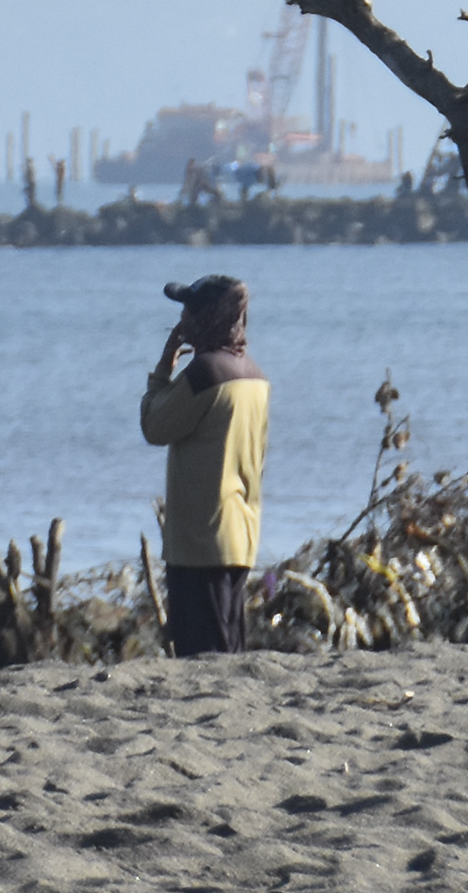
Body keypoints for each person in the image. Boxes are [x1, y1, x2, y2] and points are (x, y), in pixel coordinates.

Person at [141, 274, 270, 657]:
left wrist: (162, 371)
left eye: (190, 311)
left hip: (200, 541)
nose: (183, 321)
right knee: (228, 647)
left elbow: (154, 426)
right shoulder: (255, 376)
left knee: (202, 653)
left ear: (207, 317)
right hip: (240, 534)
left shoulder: (205, 374)